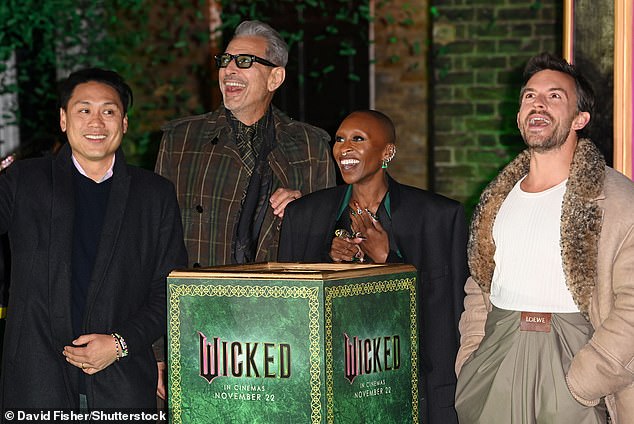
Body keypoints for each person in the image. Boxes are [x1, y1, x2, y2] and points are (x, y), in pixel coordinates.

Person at [455, 53, 634, 423]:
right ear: (520, 114)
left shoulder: (617, 199)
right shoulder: (497, 197)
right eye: (529, 96)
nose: (538, 102)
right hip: (497, 354)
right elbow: (480, 283)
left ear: (580, 119)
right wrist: (471, 357)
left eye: (555, 96)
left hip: (574, 358)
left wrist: (585, 380)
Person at [0, 68, 187, 412]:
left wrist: (120, 344)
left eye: (109, 111)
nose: (96, 122)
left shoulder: (154, 194)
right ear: (63, 119)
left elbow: (171, 291)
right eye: (84, 110)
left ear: (124, 123)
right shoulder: (23, 181)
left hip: (123, 382)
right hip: (37, 380)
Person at [279, 110, 469, 423]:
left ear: (387, 152)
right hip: (328, 394)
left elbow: (446, 318)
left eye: (358, 139)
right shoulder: (304, 216)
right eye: (340, 139)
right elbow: (288, 313)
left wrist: (388, 260)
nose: (344, 148)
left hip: (410, 393)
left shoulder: (439, 218)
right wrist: (326, 264)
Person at [155, 20, 335, 268]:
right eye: (225, 60)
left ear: (275, 78)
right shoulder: (181, 139)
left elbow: (327, 242)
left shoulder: (310, 145)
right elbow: (154, 235)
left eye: (244, 61)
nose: (228, 70)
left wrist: (301, 214)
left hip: (277, 299)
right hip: (197, 296)